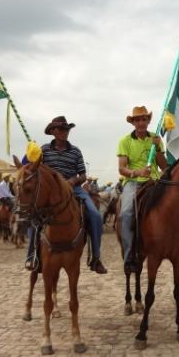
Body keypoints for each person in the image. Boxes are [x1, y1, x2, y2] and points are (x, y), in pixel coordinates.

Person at [39, 115, 107, 274]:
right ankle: (33, 257)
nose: (64, 132)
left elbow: (83, 175)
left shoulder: (75, 151)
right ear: (53, 131)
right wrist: (31, 153)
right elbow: (35, 168)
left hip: (73, 189)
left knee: (96, 216)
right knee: (34, 217)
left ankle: (96, 258)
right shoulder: (44, 150)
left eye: (66, 129)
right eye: (61, 129)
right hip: (51, 193)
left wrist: (70, 181)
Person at [117, 106, 168, 273]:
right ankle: (129, 256)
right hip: (133, 182)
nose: (140, 122)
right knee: (126, 213)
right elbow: (122, 169)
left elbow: (163, 165)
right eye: (137, 120)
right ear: (133, 122)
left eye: (143, 119)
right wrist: (137, 172)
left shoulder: (155, 138)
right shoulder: (125, 141)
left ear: (148, 121)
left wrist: (158, 147)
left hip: (154, 181)